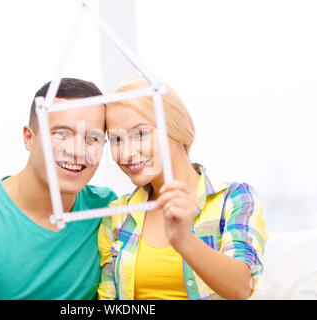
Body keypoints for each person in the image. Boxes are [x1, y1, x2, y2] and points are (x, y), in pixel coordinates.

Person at [0, 78, 117, 300]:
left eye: (92, 138)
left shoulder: (110, 211)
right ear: (29, 138)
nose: (77, 151)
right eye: (61, 133)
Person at [98, 75, 268, 300]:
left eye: (140, 134)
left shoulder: (235, 199)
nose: (126, 153)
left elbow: (241, 287)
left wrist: (184, 241)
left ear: (176, 129)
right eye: (116, 140)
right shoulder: (117, 216)